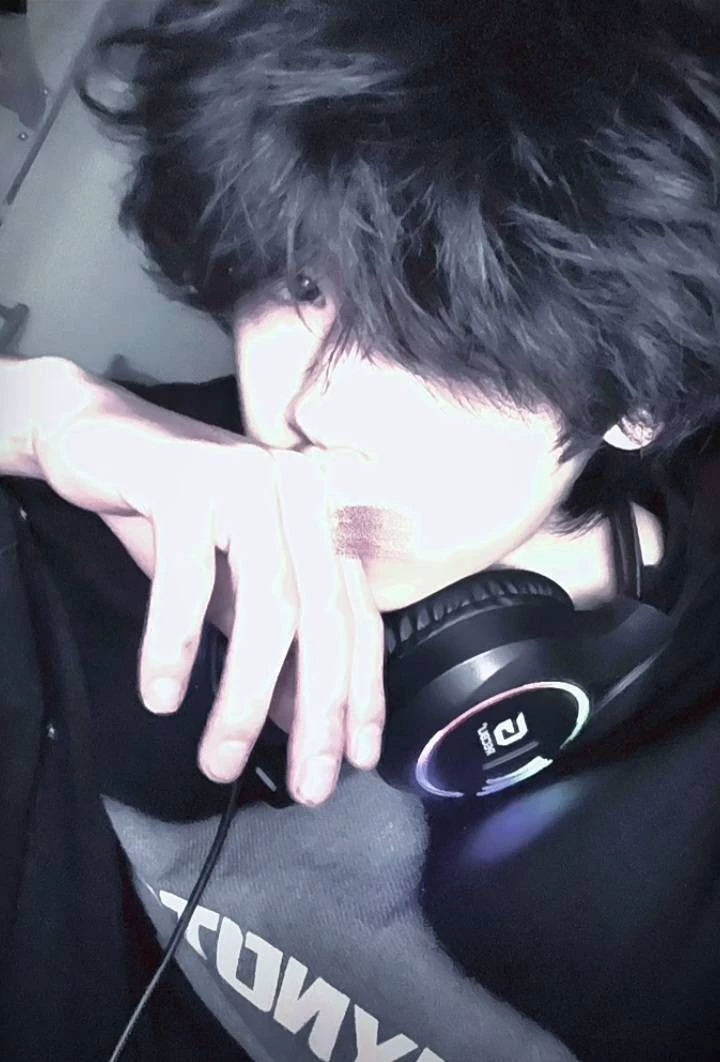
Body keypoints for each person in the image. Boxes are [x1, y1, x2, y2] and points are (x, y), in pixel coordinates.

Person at [2, 0, 720, 1059]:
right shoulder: (103, 499)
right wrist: (34, 414)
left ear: (638, 395)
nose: (317, 406)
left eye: (451, 339)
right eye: (300, 286)